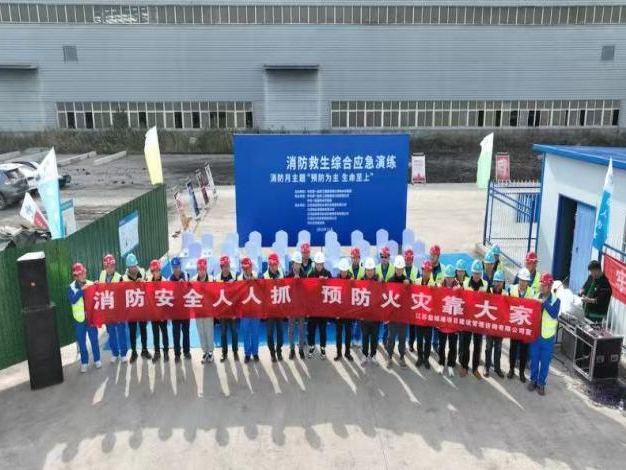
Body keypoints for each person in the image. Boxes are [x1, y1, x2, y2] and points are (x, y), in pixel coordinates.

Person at [528, 273, 561, 396]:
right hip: (535, 336)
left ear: (550, 286)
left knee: (545, 362)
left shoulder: (556, 300)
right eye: (540, 284)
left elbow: (554, 314)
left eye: (544, 285)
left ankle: (541, 383)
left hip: (547, 337)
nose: (541, 287)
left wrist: (544, 303)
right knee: (534, 359)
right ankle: (533, 380)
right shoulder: (535, 297)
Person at [68, 262, 101, 373]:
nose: (83, 275)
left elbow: (98, 296)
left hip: (91, 318)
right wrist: (82, 291)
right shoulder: (71, 287)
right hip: (79, 320)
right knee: (82, 342)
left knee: (94, 340)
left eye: (84, 273)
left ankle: (97, 359)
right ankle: (84, 362)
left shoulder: (91, 284)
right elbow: (72, 300)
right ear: (75, 276)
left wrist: (97, 286)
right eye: (81, 274)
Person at [461, 259, 488, 379]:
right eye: (475, 273)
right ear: (472, 272)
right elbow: (460, 299)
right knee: (465, 344)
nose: (477, 275)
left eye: (479, 273)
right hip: (467, 319)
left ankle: (475, 368)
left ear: (481, 273)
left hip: (479, 320)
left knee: (477, 345)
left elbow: (490, 300)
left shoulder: (485, 285)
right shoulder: (465, 283)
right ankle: (464, 367)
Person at [508, 268, 535, 383]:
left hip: (525, 326)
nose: (523, 283)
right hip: (514, 324)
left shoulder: (532, 292)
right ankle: (511, 369)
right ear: (518, 280)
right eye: (521, 280)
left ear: (528, 282)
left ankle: (521, 373)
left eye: (525, 281)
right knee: (513, 348)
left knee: (524, 350)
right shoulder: (512, 289)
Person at [98, 254, 127, 363]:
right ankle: (115, 353)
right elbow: (99, 290)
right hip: (108, 311)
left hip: (118, 311)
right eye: (108, 266)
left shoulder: (119, 278)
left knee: (121, 332)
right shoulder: (102, 275)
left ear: (114, 266)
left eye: (112, 266)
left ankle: (123, 354)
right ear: (105, 267)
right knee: (111, 333)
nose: (110, 268)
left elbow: (123, 295)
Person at [124, 253, 151, 363]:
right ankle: (134, 352)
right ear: (127, 267)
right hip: (131, 309)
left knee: (143, 329)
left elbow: (149, 286)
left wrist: (143, 283)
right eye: (131, 267)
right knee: (132, 331)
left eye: (134, 266)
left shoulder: (143, 272)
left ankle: (144, 350)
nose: (133, 268)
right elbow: (121, 293)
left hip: (142, 308)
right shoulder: (124, 278)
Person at [385, 255, 411, 369]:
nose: (399, 271)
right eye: (397, 268)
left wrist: (410, 282)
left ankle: (401, 356)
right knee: (391, 338)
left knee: (402, 338)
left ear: (403, 268)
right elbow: (386, 297)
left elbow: (412, 295)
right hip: (393, 315)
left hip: (403, 316)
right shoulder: (390, 281)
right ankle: (389, 356)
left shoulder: (407, 281)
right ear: (395, 268)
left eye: (401, 269)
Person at [437, 264, 460, 377]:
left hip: (453, 324)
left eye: (451, 277)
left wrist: (459, 290)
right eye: (447, 277)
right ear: (445, 277)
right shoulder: (440, 285)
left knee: (452, 346)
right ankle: (441, 363)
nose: (449, 279)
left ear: (454, 277)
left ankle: (450, 364)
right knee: (441, 345)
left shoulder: (458, 287)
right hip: (442, 322)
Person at [308, 251, 331, 359]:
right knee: (311, 329)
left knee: (322, 330)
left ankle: (323, 348)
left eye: (320, 264)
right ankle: (311, 346)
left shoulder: (328, 274)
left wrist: (326, 282)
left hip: (323, 308)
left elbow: (333, 289)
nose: (318, 266)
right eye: (317, 264)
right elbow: (307, 289)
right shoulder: (310, 274)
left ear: (323, 264)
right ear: (315, 263)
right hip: (313, 308)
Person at [216, 255, 239, 362]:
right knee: (223, 333)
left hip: (232, 310)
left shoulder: (235, 276)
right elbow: (215, 295)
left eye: (227, 266)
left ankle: (235, 352)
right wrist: (217, 311)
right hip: (222, 311)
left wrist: (233, 285)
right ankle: (224, 353)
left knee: (234, 332)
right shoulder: (217, 278)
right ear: (221, 267)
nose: (226, 268)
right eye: (224, 266)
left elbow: (239, 293)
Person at [484, 270, 506, 378]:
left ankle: (497, 368)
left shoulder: (506, 293)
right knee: (488, 347)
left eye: (500, 282)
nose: (498, 284)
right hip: (490, 326)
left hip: (500, 326)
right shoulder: (489, 291)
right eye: (496, 281)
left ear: (503, 283)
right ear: (493, 282)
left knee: (498, 348)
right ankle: (487, 367)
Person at [169, 256, 191, 363]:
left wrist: (185, 285)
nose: (176, 270)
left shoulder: (186, 276)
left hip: (185, 310)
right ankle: (177, 354)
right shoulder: (170, 279)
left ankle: (187, 351)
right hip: (175, 312)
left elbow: (192, 291)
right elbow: (168, 296)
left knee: (186, 332)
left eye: (177, 267)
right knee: (176, 333)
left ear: (180, 267)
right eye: (174, 268)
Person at [238, 257, 260, 363]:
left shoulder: (257, 276)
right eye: (246, 268)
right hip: (244, 311)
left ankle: (255, 353)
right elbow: (237, 295)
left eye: (249, 267)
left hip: (255, 310)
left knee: (255, 332)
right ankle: (247, 353)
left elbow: (263, 290)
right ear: (243, 269)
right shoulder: (239, 279)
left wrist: (255, 282)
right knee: (246, 332)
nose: (248, 269)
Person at [415, 260, 436, 369]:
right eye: (424, 270)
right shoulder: (416, 282)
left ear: (431, 272)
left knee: (428, 340)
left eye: (428, 271)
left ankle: (426, 358)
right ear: (422, 270)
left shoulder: (434, 285)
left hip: (428, 318)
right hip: (419, 317)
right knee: (419, 339)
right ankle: (420, 357)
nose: (426, 273)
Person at [264, 252, 284, 362]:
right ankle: (272, 353)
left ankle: (279, 350)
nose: (273, 267)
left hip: (280, 309)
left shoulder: (281, 274)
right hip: (270, 310)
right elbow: (261, 294)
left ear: (278, 264)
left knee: (280, 333)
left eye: (275, 264)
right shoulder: (264, 276)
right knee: (270, 333)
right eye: (271, 264)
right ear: (269, 264)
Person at [193, 258, 214, 365]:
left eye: (203, 269)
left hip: (208, 312)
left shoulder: (212, 280)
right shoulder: (193, 280)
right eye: (199, 269)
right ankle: (205, 352)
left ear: (206, 269)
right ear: (197, 269)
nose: (201, 271)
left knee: (209, 332)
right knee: (201, 332)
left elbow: (215, 295)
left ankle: (210, 352)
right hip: (198, 312)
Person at [148, 259, 170, 363]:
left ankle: (166, 351)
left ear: (160, 271)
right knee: (155, 333)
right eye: (154, 271)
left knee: (164, 333)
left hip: (162, 314)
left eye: (157, 271)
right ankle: (157, 352)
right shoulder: (148, 281)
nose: (156, 273)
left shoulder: (165, 281)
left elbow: (168, 299)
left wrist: (164, 313)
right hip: (153, 313)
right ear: (151, 272)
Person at [286, 251, 306, 360]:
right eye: (296, 263)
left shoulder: (304, 275)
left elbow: (307, 290)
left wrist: (300, 282)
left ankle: (301, 349)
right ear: (293, 264)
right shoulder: (288, 275)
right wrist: (293, 281)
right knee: (291, 330)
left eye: (299, 263)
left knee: (302, 329)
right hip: (291, 307)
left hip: (301, 307)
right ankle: (292, 349)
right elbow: (286, 291)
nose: (297, 266)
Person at [360, 257, 380, 365]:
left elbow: (386, 292)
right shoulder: (361, 281)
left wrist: (382, 282)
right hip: (364, 316)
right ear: (365, 270)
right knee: (365, 336)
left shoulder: (379, 280)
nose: (369, 272)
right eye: (368, 270)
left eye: (371, 270)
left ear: (374, 270)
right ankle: (364, 354)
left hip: (376, 316)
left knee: (374, 337)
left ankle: (373, 355)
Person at [335, 258, 354, 362]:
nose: (343, 273)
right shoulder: (336, 279)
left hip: (348, 312)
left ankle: (347, 352)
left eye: (345, 271)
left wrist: (353, 283)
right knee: (338, 334)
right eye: (342, 271)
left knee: (348, 333)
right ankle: (339, 353)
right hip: (339, 311)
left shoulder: (351, 279)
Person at [403, 248, 420, 352]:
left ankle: (411, 343)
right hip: (402, 300)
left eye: (410, 259)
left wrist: (410, 282)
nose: (408, 261)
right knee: (403, 324)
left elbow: (419, 285)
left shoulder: (416, 270)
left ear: (412, 259)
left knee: (413, 325)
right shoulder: (400, 268)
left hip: (413, 301)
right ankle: (403, 343)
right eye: (407, 259)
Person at [377, 246, 394, 346]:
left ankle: (385, 341)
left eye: (386, 256)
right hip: (378, 299)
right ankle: (376, 341)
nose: (384, 258)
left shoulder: (393, 269)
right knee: (377, 322)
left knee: (387, 323)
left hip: (389, 299)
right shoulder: (376, 268)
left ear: (389, 257)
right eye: (382, 256)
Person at [429, 244, 444, 351]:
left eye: (435, 255)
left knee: (437, 323)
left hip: (438, 300)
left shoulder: (443, 269)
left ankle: (435, 344)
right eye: (432, 255)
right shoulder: (425, 266)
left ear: (438, 256)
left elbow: (446, 284)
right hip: (427, 299)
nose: (433, 257)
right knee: (426, 324)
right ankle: (427, 343)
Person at [348, 247, 364, 348]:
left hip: (360, 298)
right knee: (350, 321)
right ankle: (350, 339)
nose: (355, 259)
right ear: (351, 258)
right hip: (350, 298)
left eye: (357, 257)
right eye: (353, 257)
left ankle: (357, 339)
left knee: (359, 320)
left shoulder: (363, 270)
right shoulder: (347, 270)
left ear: (359, 258)